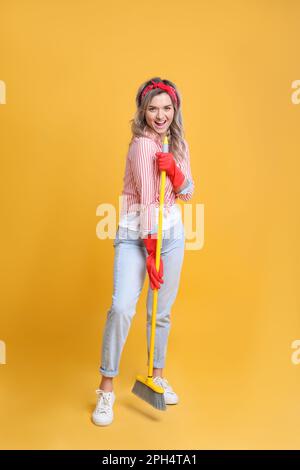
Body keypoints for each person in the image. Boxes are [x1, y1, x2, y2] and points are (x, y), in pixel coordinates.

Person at [92, 77, 195, 426]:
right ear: (143, 110)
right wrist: (150, 251)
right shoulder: (141, 147)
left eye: (166, 107)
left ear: (174, 109)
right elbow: (149, 201)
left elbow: (188, 192)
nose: (160, 114)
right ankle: (106, 388)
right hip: (137, 236)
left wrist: (177, 173)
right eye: (153, 108)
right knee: (122, 307)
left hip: (173, 237)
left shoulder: (178, 143)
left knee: (160, 313)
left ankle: (157, 376)